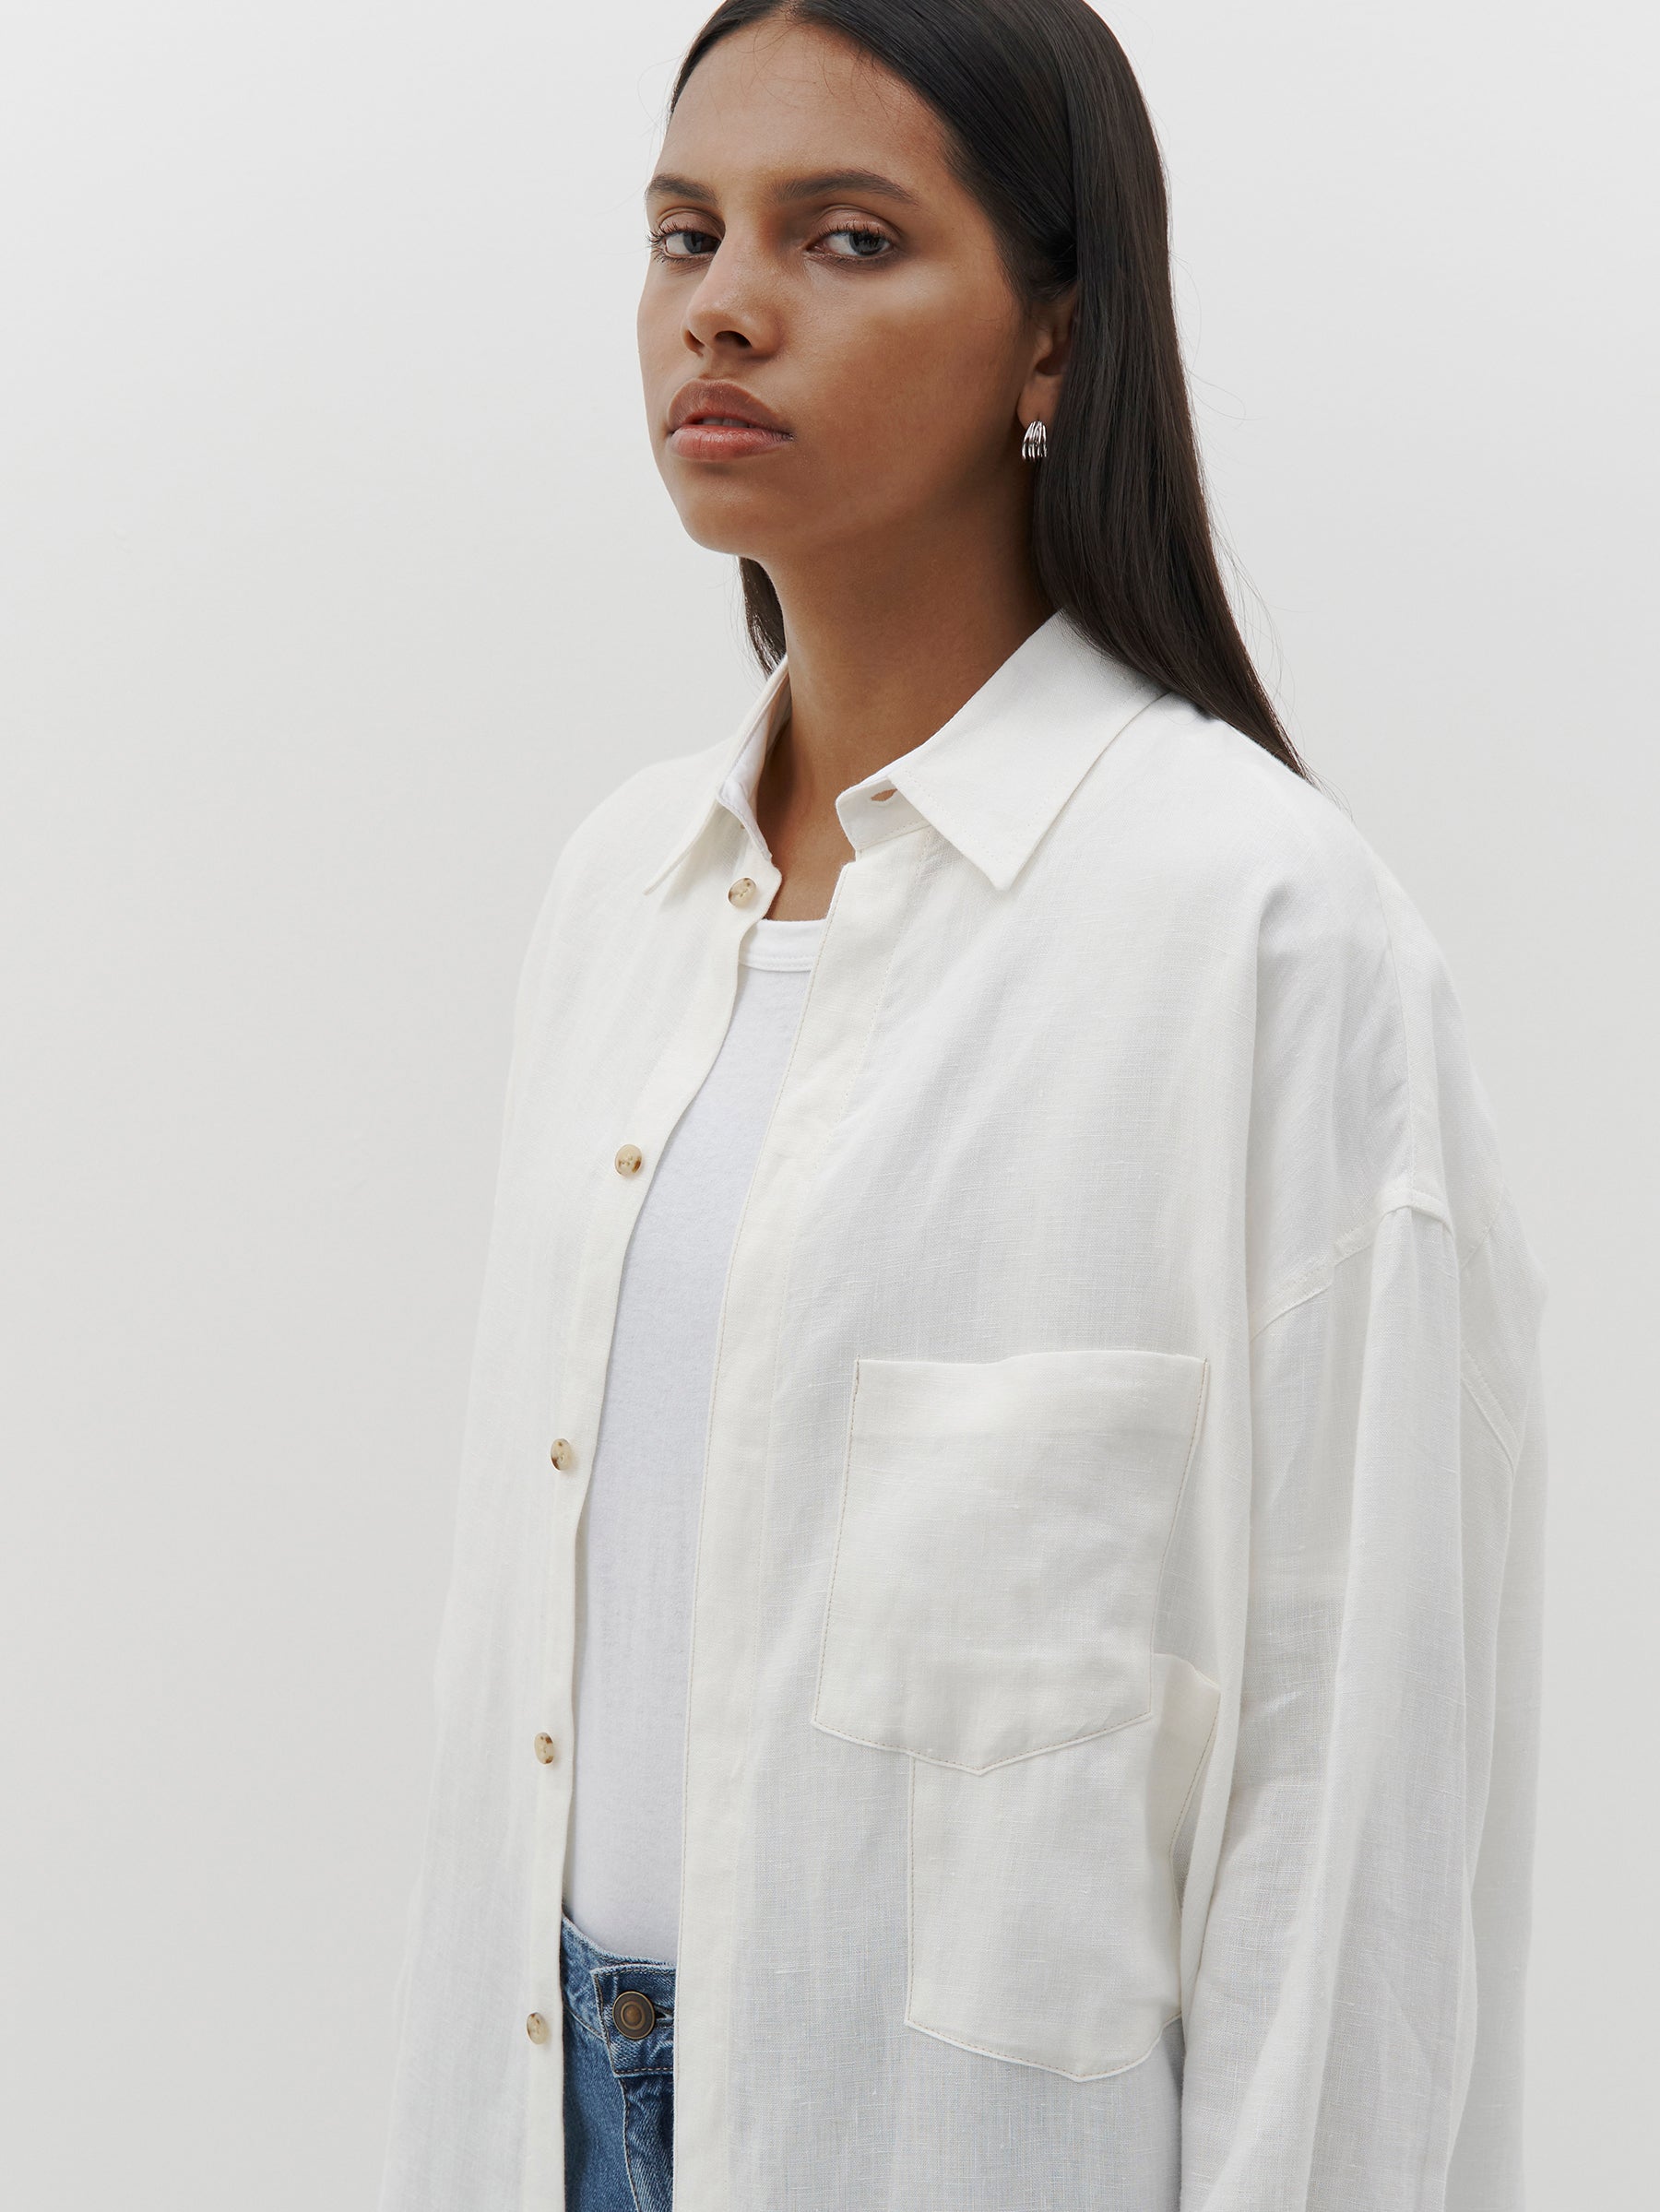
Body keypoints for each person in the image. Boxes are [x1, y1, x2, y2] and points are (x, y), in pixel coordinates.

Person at [377, 3, 1549, 2207]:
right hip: (548, 2114)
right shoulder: (624, 892)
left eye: (845, 237)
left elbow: (1356, 1797)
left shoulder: (1260, 934)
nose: (723, 305)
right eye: (685, 233)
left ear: (1054, 342)